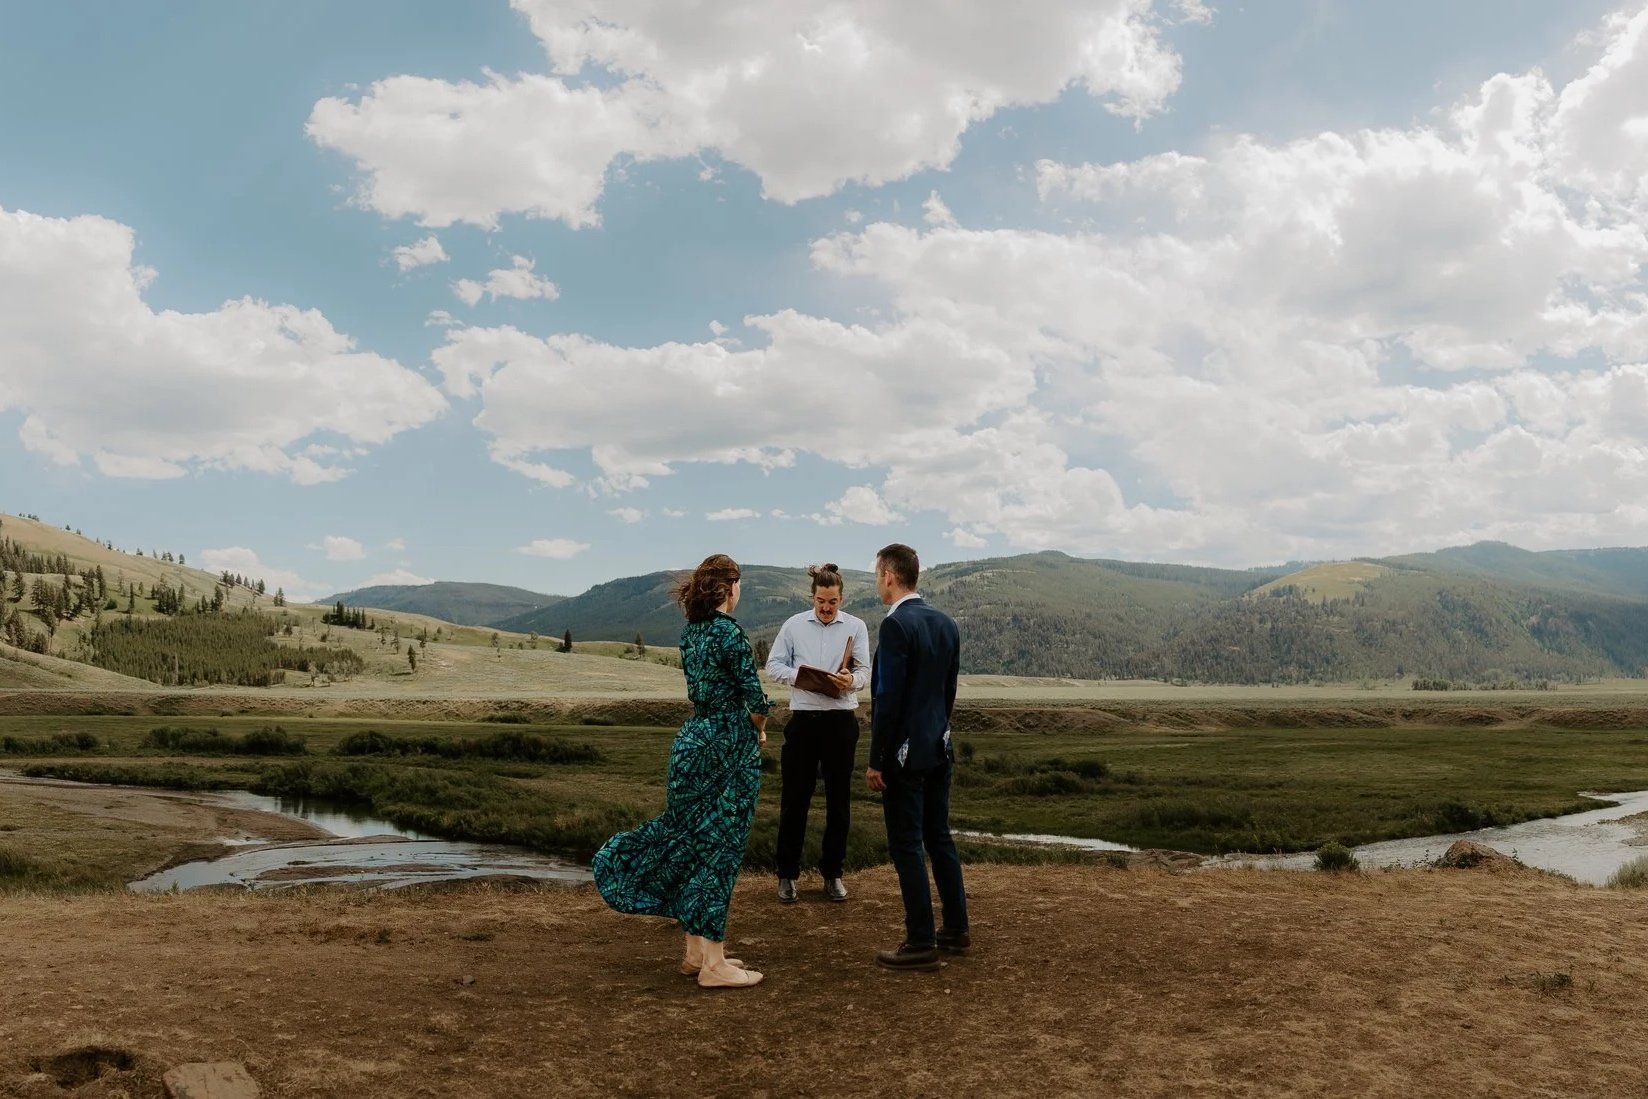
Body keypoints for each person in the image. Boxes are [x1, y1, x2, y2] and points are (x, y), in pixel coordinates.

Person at [592, 554, 772, 989]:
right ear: (730, 587)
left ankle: (696, 951)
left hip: (691, 742)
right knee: (720, 847)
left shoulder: (691, 632)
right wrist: (760, 732)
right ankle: (714, 964)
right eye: (739, 584)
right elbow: (757, 700)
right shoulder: (729, 633)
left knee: (693, 840)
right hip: (727, 746)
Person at [865, 543, 969, 972]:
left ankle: (921, 939)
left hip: (904, 756)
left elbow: (887, 697)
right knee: (938, 837)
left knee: (906, 844)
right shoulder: (945, 624)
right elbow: (948, 691)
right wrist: (938, 733)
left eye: (877, 573)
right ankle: (957, 929)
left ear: (889, 575)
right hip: (938, 747)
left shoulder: (896, 627)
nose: (876, 580)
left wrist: (876, 757)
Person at [764, 563, 871, 904]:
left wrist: (850, 680)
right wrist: (802, 676)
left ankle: (833, 875)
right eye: (821, 601)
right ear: (812, 596)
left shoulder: (856, 626)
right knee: (795, 800)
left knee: (839, 803)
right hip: (804, 721)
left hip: (841, 721)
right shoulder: (794, 625)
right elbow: (773, 665)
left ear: (842, 598)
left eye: (833, 602)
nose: (826, 608)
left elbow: (865, 670)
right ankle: (786, 876)